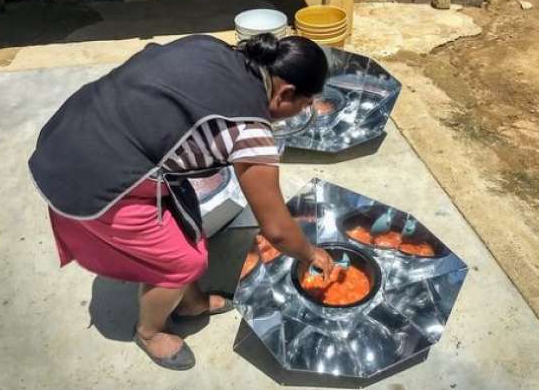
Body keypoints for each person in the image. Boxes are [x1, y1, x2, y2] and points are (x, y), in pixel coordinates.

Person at [28, 33, 335, 370]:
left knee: (184, 226)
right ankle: (150, 332)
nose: (301, 112)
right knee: (179, 264)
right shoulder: (249, 132)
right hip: (94, 175)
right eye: (304, 105)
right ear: (285, 92)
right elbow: (276, 230)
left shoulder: (212, 47)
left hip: (76, 127)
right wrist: (309, 252)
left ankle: (190, 303)